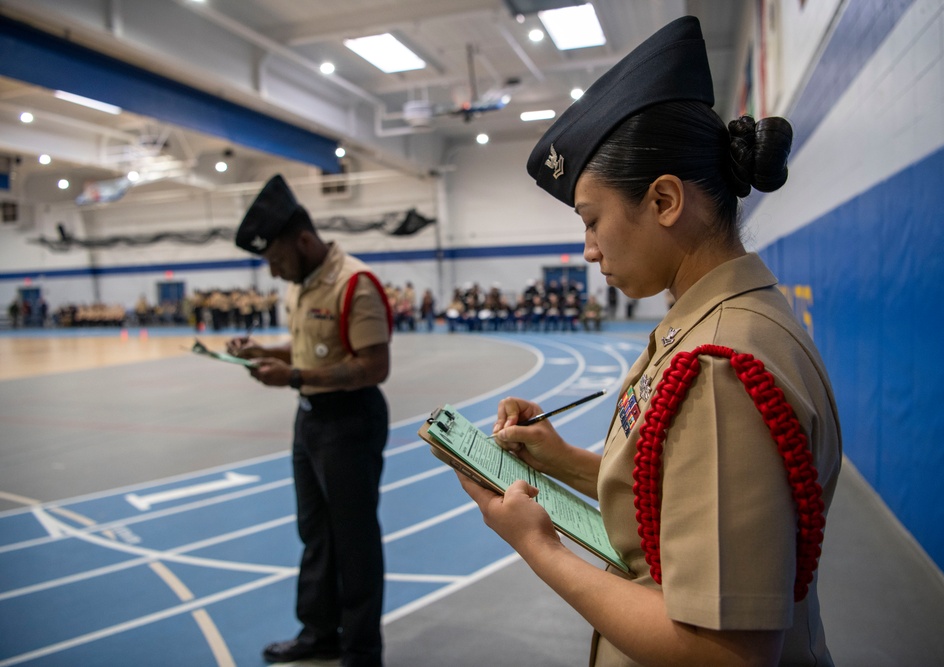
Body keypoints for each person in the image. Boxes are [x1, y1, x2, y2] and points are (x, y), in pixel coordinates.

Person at [455, 16, 841, 667]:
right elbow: (673, 495)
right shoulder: (720, 319)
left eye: (592, 219)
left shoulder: (718, 370)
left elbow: (724, 651)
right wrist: (562, 459)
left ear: (664, 200)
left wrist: (538, 546)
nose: (588, 249)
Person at [227, 175, 392, 667]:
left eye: (277, 260)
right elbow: (309, 346)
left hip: (349, 421)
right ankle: (319, 632)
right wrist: (266, 351)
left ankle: (361, 650)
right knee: (315, 533)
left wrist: (294, 374)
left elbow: (374, 366)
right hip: (311, 421)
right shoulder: (302, 282)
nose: (276, 273)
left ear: (302, 241)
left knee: (354, 540)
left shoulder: (354, 283)